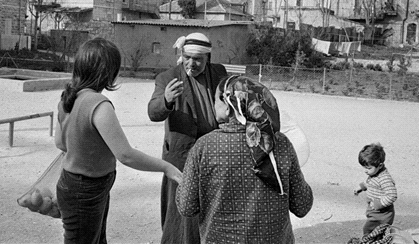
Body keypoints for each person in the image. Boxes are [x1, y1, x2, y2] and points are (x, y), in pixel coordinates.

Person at [55, 38, 182, 244]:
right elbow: (125, 155)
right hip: (86, 190)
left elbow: (60, 144)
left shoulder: (68, 98)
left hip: (72, 184)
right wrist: (166, 167)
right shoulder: (99, 104)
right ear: (108, 72)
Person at [176, 75, 314, 244]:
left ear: (228, 106)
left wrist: (183, 182)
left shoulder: (204, 147)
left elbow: (187, 206)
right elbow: (302, 205)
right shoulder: (279, 143)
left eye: (215, 101)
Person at [147, 32, 228, 244]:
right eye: (187, 58)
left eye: (198, 59)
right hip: (181, 157)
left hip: (214, 154)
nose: (191, 64)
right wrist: (166, 100)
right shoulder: (167, 78)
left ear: (208, 58)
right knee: (179, 211)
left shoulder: (219, 72)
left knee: (210, 207)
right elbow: (153, 112)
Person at [354, 143, 397, 236]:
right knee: (373, 232)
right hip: (375, 211)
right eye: (364, 167)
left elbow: (392, 195)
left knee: (369, 231)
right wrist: (361, 187)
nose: (365, 170)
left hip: (381, 214)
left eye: (368, 168)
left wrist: (379, 203)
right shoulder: (375, 173)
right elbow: (372, 183)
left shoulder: (384, 179)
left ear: (380, 165)